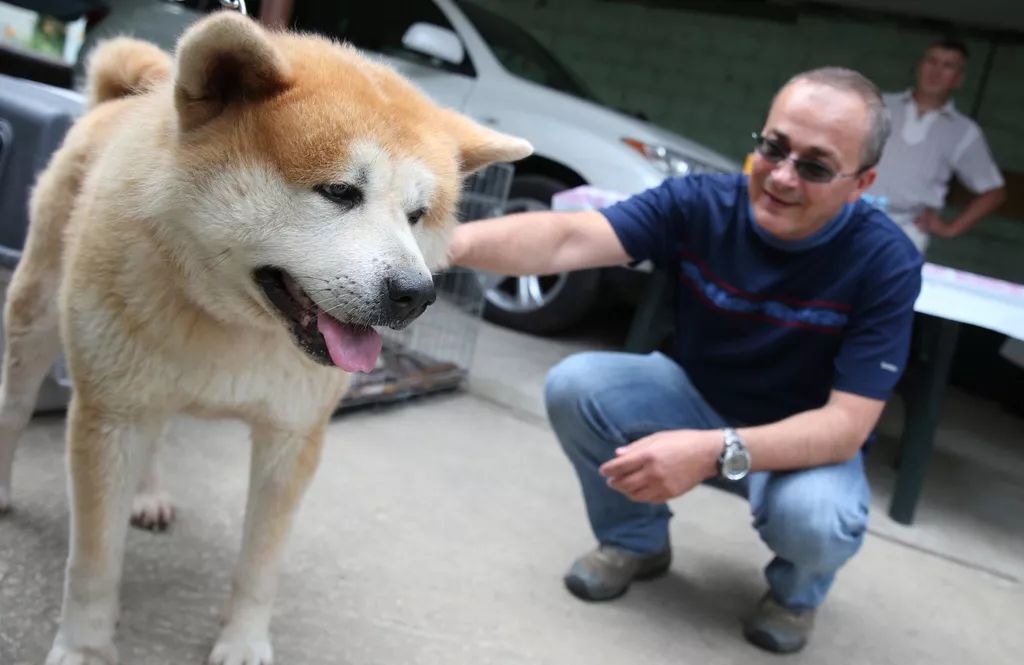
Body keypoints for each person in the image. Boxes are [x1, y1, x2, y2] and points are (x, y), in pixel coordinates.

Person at [450, 67, 923, 654]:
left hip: (801, 437)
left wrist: (711, 450)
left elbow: (847, 427)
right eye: (773, 148)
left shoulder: (885, 261)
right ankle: (637, 542)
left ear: (861, 184)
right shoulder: (703, 203)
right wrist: (446, 244)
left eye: (816, 166)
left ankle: (795, 597)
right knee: (578, 385)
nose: (780, 176)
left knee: (818, 519)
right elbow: (569, 239)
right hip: (696, 393)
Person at [866, 37, 1006, 252]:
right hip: (850, 213)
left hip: (905, 230)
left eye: (948, 66)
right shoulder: (879, 105)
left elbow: (994, 192)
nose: (936, 71)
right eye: (932, 61)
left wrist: (951, 229)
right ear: (920, 66)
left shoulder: (964, 132)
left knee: (882, 286)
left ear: (958, 79)